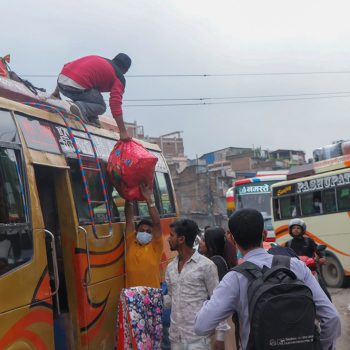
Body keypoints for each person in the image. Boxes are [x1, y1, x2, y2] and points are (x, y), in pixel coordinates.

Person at [194, 209, 341, 350]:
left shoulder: (234, 278)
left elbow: (201, 326)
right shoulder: (296, 265)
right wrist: (320, 346)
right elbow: (332, 318)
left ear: (232, 239)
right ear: (264, 234)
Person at [164, 219, 229, 350]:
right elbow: (171, 299)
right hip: (176, 338)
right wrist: (149, 299)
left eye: (171, 235)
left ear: (181, 239)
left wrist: (220, 337)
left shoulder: (206, 266)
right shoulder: (170, 268)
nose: (168, 239)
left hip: (199, 339)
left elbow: (218, 302)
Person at [51, 53, 131, 136]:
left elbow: (67, 66)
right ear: (125, 70)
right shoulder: (119, 77)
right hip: (76, 88)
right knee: (101, 106)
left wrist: (56, 92)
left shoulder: (99, 59)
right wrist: (123, 131)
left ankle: (92, 119)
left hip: (61, 83)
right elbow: (115, 103)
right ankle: (81, 107)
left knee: (95, 95)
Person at [124, 183, 163, 288]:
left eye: (148, 231)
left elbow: (157, 223)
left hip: (150, 298)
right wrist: (129, 197)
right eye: (142, 230)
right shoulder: (131, 242)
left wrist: (149, 200)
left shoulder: (155, 247)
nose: (145, 233)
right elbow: (129, 218)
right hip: (132, 298)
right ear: (136, 232)